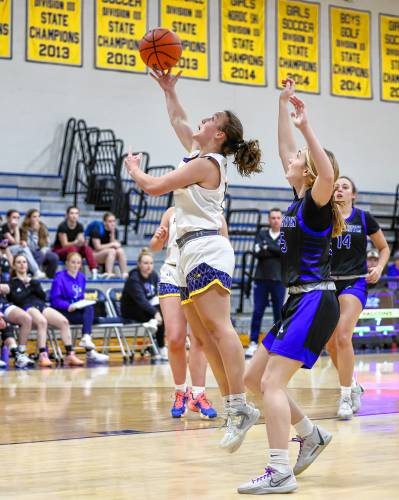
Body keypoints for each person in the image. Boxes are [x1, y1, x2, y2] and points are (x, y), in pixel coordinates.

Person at [125, 68, 262, 452]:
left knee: (219, 330)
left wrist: (134, 170)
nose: (202, 120)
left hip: (206, 248)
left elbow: (154, 187)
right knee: (201, 336)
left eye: (211, 119)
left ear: (219, 134)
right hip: (186, 252)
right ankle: (234, 405)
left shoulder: (208, 164)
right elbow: (179, 119)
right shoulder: (198, 154)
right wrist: (170, 89)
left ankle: (239, 405)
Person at [239, 80, 345, 494]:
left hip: (316, 299)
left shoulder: (317, 206)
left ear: (310, 170)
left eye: (300, 158)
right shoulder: (298, 197)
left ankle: (279, 470)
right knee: (253, 378)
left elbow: (329, 172)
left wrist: (307, 129)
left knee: (272, 385)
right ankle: (310, 433)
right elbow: (285, 150)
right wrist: (282, 106)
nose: (292, 158)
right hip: (298, 301)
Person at [327, 176, 390, 419]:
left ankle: (344, 397)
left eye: (345, 187)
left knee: (343, 335)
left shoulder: (364, 218)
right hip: (327, 283)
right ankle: (353, 386)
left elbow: (383, 248)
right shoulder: (323, 216)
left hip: (355, 281)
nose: (339, 190)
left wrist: (379, 267)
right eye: (336, 187)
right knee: (330, 343)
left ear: (353, 195)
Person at [150, 207, 218, 418]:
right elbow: (154, 247)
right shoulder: (171, 212)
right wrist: (158, 239)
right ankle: (181, 391)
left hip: (199, 274)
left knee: (198, 337)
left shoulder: (213, 212)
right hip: (172, 272)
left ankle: (199, 394)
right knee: (175, 338)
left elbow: (224, 248)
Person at [8, 253, 84, 367]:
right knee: (42, 321)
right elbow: (17, 299)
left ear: (28, 265)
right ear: (14, 266)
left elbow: (42, 296)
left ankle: (70, 354)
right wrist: (29, 288)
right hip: (26, 307)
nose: (22, 265)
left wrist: (34, 285)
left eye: (24, 262)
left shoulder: (33, 281)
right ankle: (43, 355)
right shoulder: (12, 283)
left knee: (64, 322)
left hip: (40, 305)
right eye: (18, 262)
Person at [50, 252, 108, 363]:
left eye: (78, 263)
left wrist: (81, 303)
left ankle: (86, 339)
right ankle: (89, 350)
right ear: (67, 263)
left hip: (76, 309)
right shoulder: (59, 278)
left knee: (90, 309)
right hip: (62, 311)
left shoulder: (81, 277)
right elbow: (54, 301)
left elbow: (80, 296)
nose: (76, 265)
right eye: (73, 262)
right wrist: (68, 306)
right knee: (90, 318)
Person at [246, 208, 285, 358]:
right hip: (261, 279)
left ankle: (277, 344)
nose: (275, 220)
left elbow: (284, 253)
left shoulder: (285, 235)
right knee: (257, 312)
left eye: (278, 218)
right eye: (273, 218)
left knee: (278, 313)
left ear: (281, 220)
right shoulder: (261, 234)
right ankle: (253, 343)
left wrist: (267, 247)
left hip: (278, 280)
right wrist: (274, 251)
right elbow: (257, 252)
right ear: (269, 220)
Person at [120, 248, 168, 361]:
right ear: (139, 264)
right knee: (160, 314)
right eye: (145, 263)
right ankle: (161, 347)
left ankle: (154, 323)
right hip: (131, 310)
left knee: (162, 311)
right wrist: (155, 313)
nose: (149, 266)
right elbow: (141, 300)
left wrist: (157, 311)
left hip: (147, 308)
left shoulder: (154, 276)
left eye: (151, 263)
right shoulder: (134, 278)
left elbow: (157, 295)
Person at [53, 206, 98, 280]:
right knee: (72, 248)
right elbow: (64, 244)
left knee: (87, 248)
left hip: (74, 249)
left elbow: (80, 241)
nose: (74, 216)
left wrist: (83, 242)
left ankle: (94, 270)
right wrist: (76, 242)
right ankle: (76, 272)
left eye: (76, 213)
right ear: (67, 215)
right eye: (72, 213)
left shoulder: (80, 226)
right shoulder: (62, 226)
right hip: (60, 250)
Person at [1, 210, 46, 279]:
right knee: (23, 248)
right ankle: (36, 271)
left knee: (26, 252)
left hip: (15, 250)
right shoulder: (4, 228)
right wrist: (16, 228)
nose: (16, 219)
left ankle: (27, 274)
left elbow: (19, 241)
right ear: (8, 218)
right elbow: (15, 242)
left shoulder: (19, 229)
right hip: (6, 250)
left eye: (18, 218)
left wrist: (22, 242)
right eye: (14, 217)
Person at [0, 279, 34, 369]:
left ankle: (21, 354)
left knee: (26, 319)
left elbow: (8, 288)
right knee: (4, 324)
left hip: (2, 303)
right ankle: (15, 352)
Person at [86, 212, 129, 279]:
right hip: (94, 254)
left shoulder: (115, 231)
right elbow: (98, 247)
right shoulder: (97, 230)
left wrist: (112, 233)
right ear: (104, 222)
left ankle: (125, 273)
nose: (112, 223)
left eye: (114, 221)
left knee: (120, 251)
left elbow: (114, 245)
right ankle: (109, 273)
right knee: (111, 251)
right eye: (110, 221)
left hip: (107, 253)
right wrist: (112, 244)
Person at [20, 209, 59, 278]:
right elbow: (30, 246)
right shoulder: (24, 229)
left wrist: (44, 250)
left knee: (54, 257)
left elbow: (48, 243)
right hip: (29, 252)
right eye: (34, 217)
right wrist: (34, 232)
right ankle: (31, 274)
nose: (37, 219)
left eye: (38, 216)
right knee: (39, 254)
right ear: (29, 218)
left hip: (41, 251)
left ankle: (49, 277)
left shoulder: (43, 227)